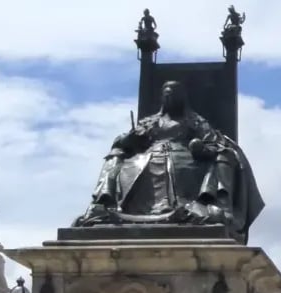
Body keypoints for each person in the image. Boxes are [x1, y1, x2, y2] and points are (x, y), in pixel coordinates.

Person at [74, 81, 264, 243]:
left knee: (223, 155)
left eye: (173, 94)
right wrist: (130, 139)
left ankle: (211, 206)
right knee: (116, 154)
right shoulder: (150, 121)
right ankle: (103, 202)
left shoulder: (194, 121)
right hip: (146, 157)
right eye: (166, 95)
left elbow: (213, 141)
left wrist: (201, 148)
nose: (169, 98)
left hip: (184, 156)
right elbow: (123, 140)